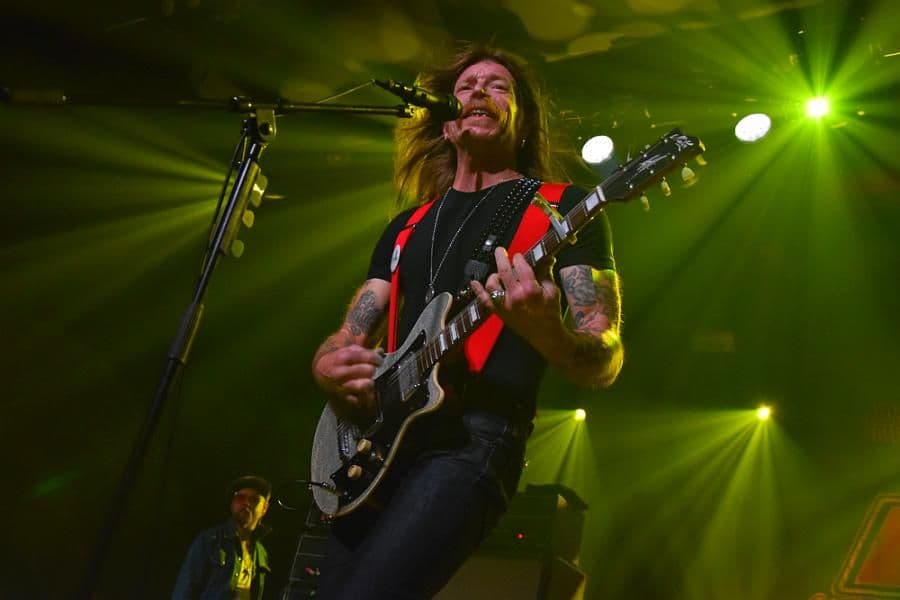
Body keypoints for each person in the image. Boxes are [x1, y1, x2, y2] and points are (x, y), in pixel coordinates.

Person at [311, 43, 623, 599]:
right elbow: (350, 334)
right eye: (466, 85)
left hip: (473, 439)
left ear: (522, 121)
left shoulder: (561, 208)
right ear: (445, 122)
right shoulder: (406, 227)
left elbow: (605, 357)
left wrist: (546, 331)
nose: (479, 90)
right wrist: (328, 365)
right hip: (376, 445)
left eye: (498, 85)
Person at [172, 475, 272, 600]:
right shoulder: (210, 540)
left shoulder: (261, 553)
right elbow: (185, 589)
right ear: (232, 503)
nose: (246, 503)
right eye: (240, 498)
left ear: (264, 508)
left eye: (254, 499)